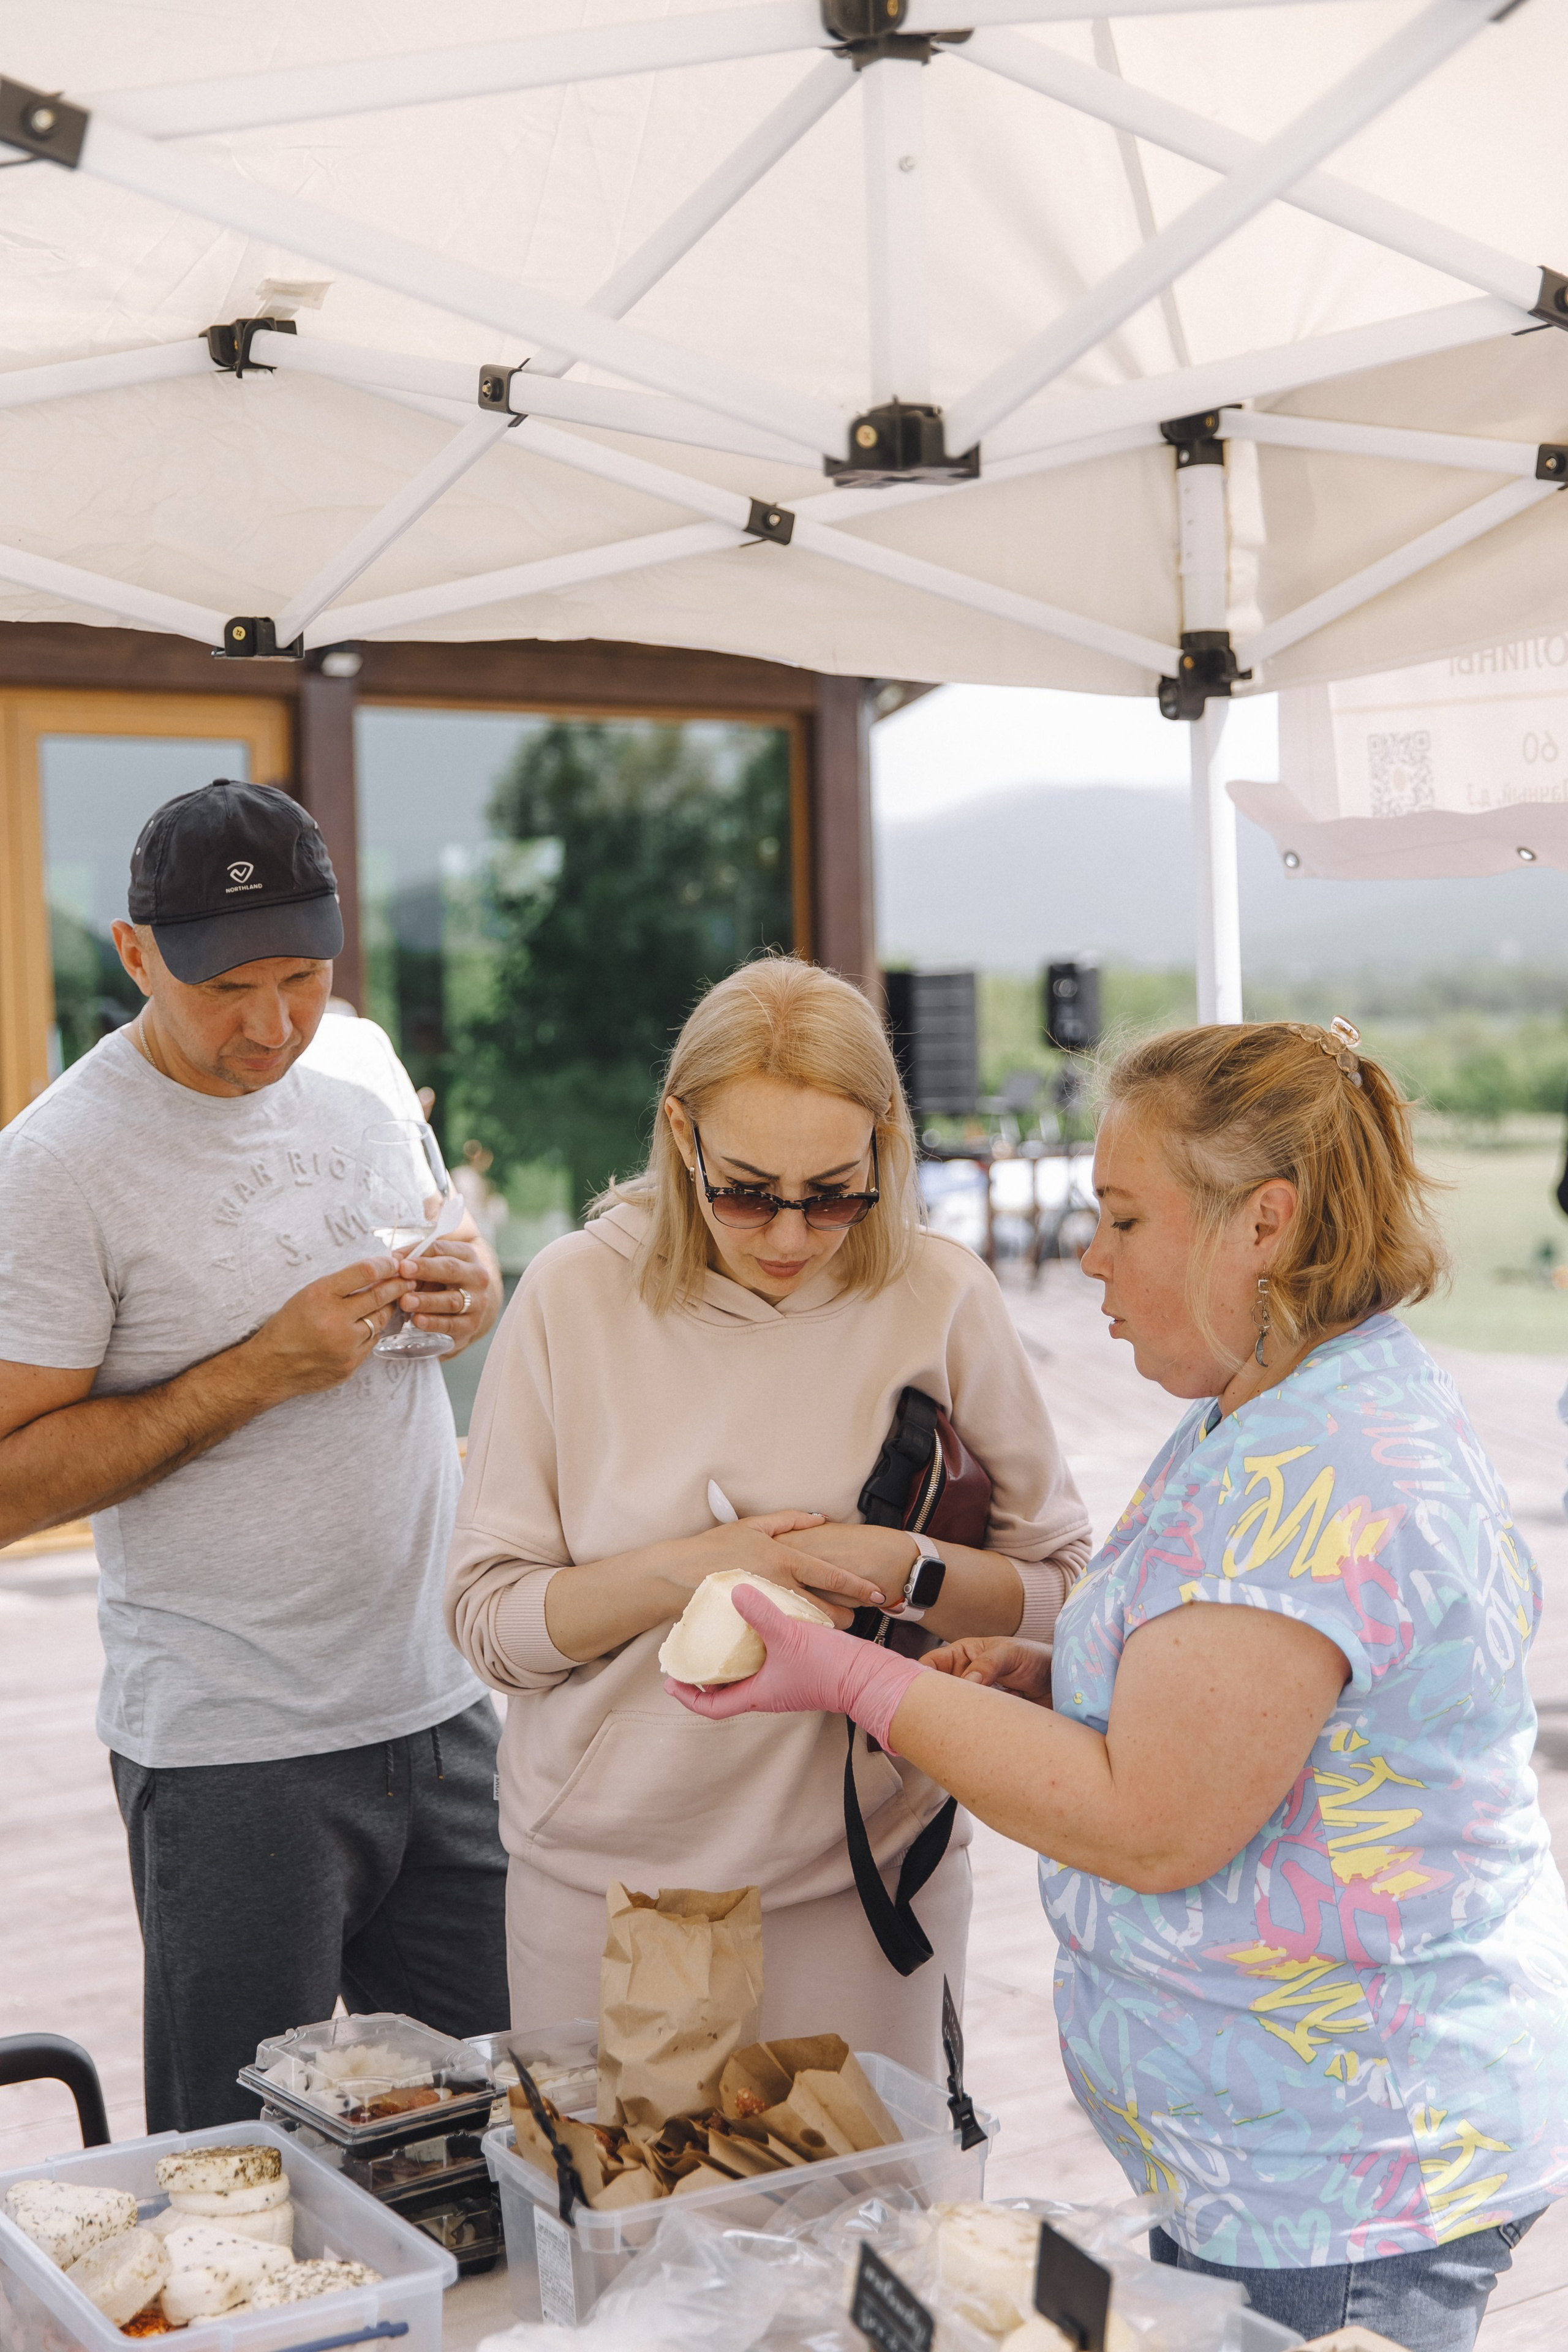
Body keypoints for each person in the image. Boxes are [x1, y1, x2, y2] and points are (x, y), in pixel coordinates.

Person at [670, 1019, 1568, 2352]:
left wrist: (845, 1676)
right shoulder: (1267, 1405)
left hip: (1341, 2185)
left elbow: (1146, 1822)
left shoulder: (1315, 1471)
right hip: (1277, 2160)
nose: (1088, 1254)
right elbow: (1237, 1697)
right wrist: (1060, 1682)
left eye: (1124, 1217)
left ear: (1262, 1223)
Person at [446, 955, 1090, 2074]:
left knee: (867, 2240)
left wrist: (906, 1566)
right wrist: (700, 1569)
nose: (790, 1238)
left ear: (889, 1144)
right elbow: (491, 1625)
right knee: (632, 2241)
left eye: (837, 1194)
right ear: (677, 1137)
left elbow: (1069, 1592)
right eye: (745, 1191)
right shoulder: (570, 1295)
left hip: (870, 1877)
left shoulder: (940, 1292)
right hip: (615, 1887)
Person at [0, 780, 510, 2133]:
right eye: (229, 986)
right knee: (242, 2178)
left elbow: (449, 1241)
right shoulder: (57, 1165)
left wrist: (473, 1289)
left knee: (503, 2143)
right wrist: (253, 1373)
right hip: (234, 1757)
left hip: (442, 1703)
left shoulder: (356, 1059)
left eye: (301, 973)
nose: (272, 1024)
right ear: (135, 954)